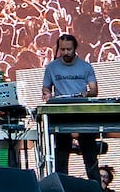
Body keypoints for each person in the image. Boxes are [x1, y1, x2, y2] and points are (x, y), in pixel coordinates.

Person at [43, 33, 100, 180]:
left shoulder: (86, 67)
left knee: (90, 156)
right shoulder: (51, 68)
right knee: (61, 155)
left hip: (83, 113)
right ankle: (62, 191)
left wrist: (85, 94)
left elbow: (94, 90)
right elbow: (46, 88)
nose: (65, 53)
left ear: (75, 48)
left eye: (68, 49)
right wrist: (47, 94)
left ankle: (97, 191)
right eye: (62, 50)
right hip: (62, 115)